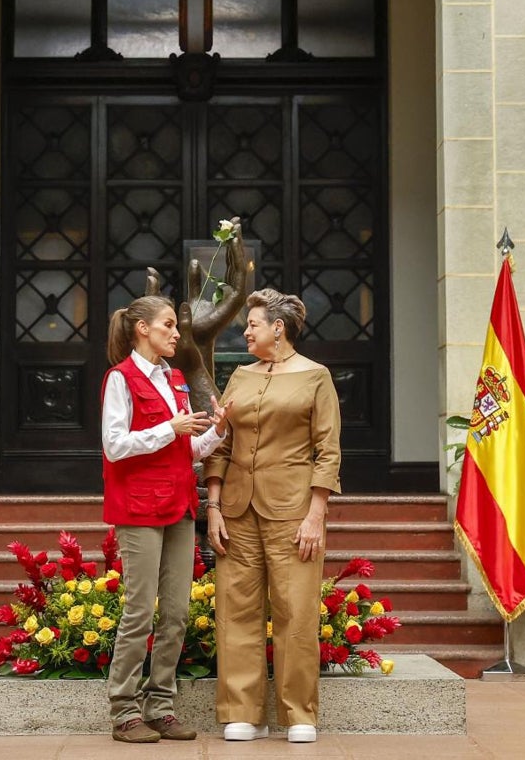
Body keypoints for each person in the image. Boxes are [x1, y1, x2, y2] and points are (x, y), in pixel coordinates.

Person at [201, 289, 342, 744]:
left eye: (253, 325)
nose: (245, 332)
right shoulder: (239, 376)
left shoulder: (316, 377)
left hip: (293, 511)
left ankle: (299, 714)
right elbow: (221, 442)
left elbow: (328, 450)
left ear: (277, 329)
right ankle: (243, 711)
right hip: (237, 511)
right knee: (235, 610)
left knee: (296, 612)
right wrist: (214, 506)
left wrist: (316, 514)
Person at [101, 295, 232, 744]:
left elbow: (185, 451)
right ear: (142, 329)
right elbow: (114, 445)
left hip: (177, 506)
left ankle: (161, 706)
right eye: (168, 325)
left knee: (176, 612)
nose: (177, 333)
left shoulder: (175, 378)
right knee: (139, 611)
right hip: (138, 508)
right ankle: (124, 711)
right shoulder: (120, 379)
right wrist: (168, 429)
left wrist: (216, 431)